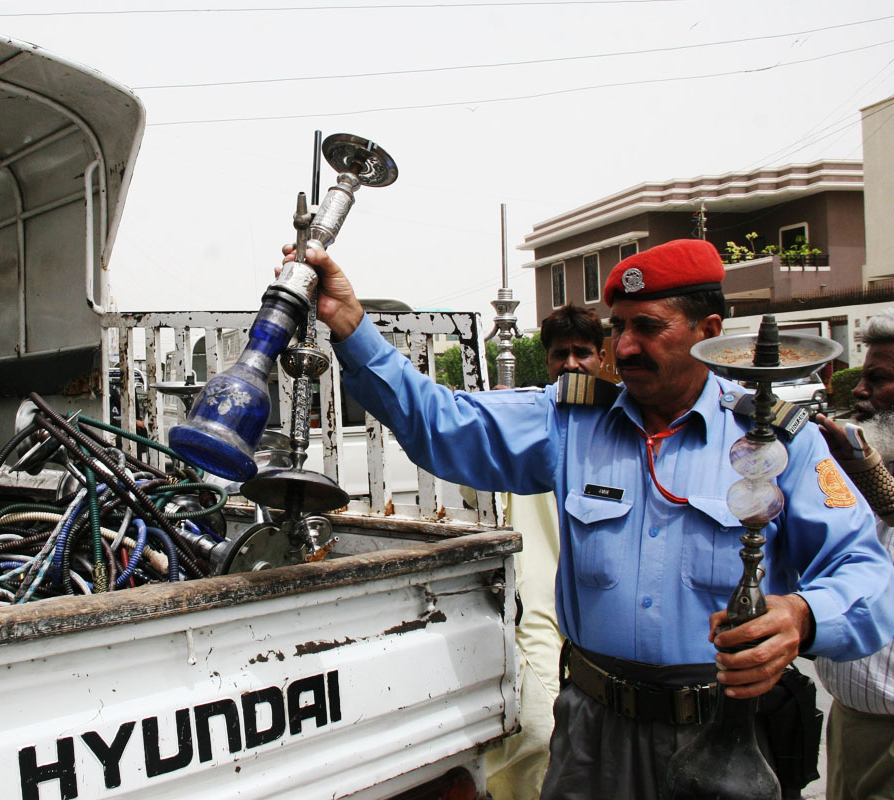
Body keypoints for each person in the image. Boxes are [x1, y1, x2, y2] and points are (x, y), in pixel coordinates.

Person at [284, 238, 894, 799]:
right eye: (618, 327)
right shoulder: (571, 420)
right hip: (592, 739)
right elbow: (442, 425)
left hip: (725, 738)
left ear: (709, 331)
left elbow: (867, 574)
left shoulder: (776, 440)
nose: (623, 347)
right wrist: (351, 326)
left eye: (648, 328)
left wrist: (803, 616)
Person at [486, 304, 605, 800]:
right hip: (538, 594)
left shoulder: (620, 422)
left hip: (598, 602)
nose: (572, 364)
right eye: (561, 355)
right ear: (547, 360)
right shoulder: (530, 420)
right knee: (539, 725)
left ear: (603, 357)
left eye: (583, 353)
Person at [814, 309, 894, 800]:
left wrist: (866, 472)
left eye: (878, 379)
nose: (858, 392)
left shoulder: (864, 472)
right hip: (850, 726)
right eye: (861, 377)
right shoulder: (847, 474)